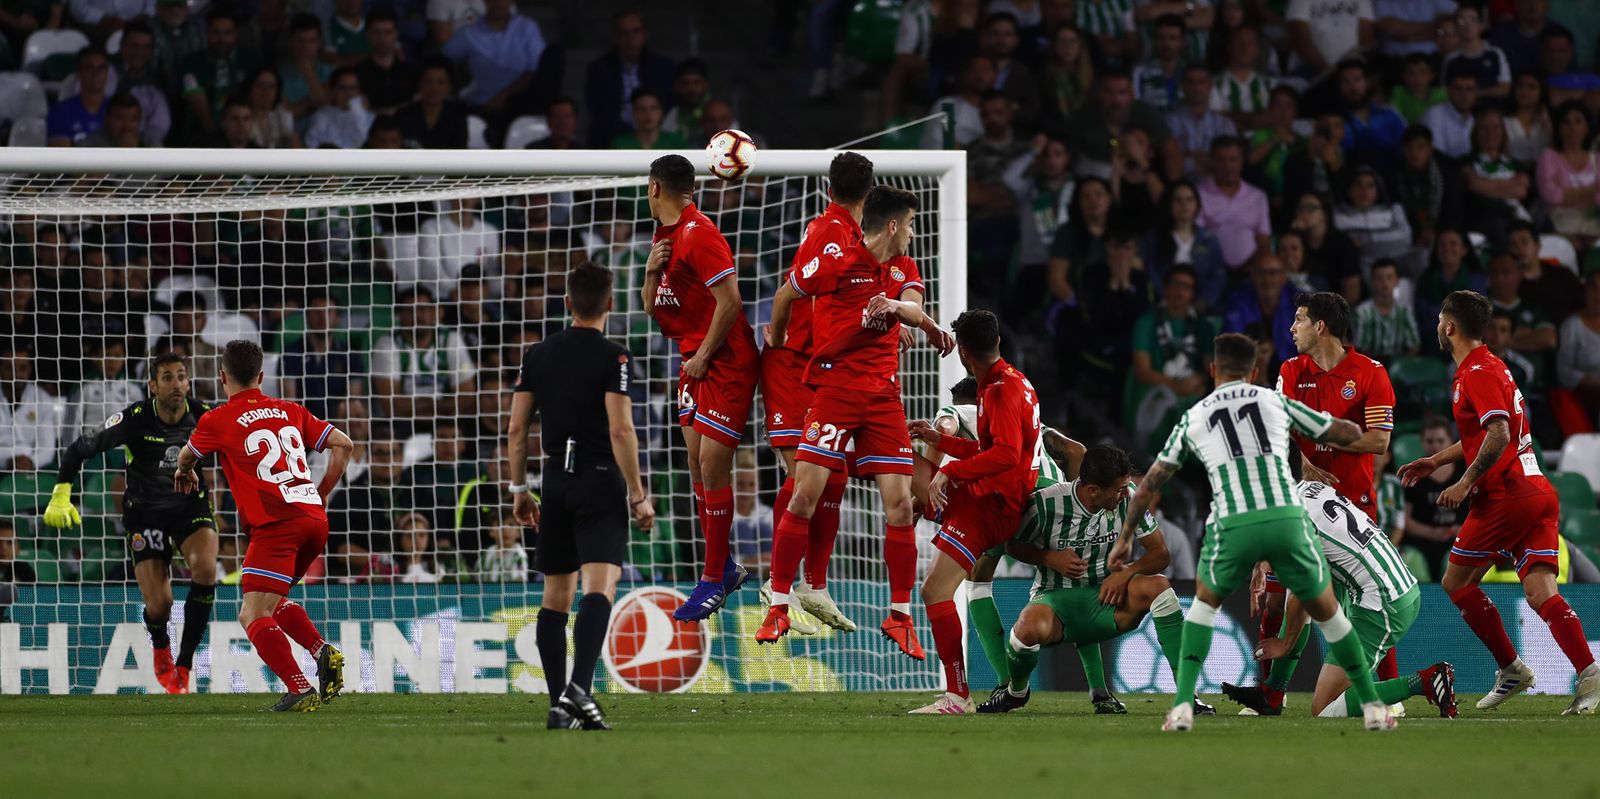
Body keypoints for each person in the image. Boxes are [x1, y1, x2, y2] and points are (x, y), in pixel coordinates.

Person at [1128, 332, 1391, 732]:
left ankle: (1182, 706)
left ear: (1213, 370)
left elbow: (1152, 482)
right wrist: (1358, 431)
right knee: (1329, 611)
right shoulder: (1274, 401)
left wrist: (1124, 535)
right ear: (1254, 371)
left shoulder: (1195, 415)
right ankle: (1373, 706)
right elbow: (1339, 432)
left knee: (1202, 608)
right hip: (1286, 517)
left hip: (1232, 521)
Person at [757, 186, 951, 656]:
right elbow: (786, 292)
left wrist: (916, 321)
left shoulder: (904, 267)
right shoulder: (836, 262)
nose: (912, 233)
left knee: (902, 506)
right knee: (806, 493)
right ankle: (779, 603)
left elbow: (911, 304)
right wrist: (780, 338)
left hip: (883, 399)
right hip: (835, 392)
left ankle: (900, 617)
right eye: (908, 224)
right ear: (890, 226)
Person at [1398, 290, 1600, 715]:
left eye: (1439, 320)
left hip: (1506, 494)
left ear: (1450, 327)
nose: (1436, 326)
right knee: (1541, 591)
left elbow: (1499, 435)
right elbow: (1482, 433)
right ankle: (1590, 674)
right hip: (1536, 491)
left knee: (1456, 583)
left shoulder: (1476, 373)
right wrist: (1437, 459)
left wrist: (1465, 481)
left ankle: (1511, 668)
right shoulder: (1490, 367)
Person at [509, 261, 654, 730]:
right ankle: (579, 690)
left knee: (555, 597)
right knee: (600, 588)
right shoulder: (616, 358)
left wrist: (518, 489)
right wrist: (637, 493)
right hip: (598, 480)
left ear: (567, 302)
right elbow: (620, 428)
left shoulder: (537, 355)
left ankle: (560, 705)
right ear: (611, 304)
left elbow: (515, 429)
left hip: (554, 483)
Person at [175, 340, 356, 712]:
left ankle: (299, 687)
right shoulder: (291, 410)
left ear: (222, 377)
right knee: (272, 603)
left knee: (252, 613)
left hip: (277, 526)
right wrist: (321, 493)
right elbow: (345, 445)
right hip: (313, 521)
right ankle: (323, 652)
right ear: (261, 376)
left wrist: (184, 471)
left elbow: (186, 456)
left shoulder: (216, 419)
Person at [43, 353, 217, 694]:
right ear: (152, 386)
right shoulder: (135, 418)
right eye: (167, 378)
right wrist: (62, 493)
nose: (177, 384)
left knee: (206, 570)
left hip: (188, 508)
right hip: (145, 512)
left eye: (181, 377)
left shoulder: (204, 416)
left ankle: (183, 664)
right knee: (160, 605)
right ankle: (160, 644)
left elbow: (236, 451)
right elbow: (79, 449)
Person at [978, 445, 1196, 715]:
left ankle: (1187, 695)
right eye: (1117, 489)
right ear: (1093, 490)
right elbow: (1013, 546)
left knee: (1159, 586)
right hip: (1056, 602)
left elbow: (1161, 553)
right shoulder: (1046, 503)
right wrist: (1049, 558)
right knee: (1025, 630)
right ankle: (1016, 692)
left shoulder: (1129, 500)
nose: (1122, 494)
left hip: (1106, 599)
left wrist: (1125, 573)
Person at [895, 310, 1037, 714]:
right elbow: (990, 450)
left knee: (935, 591)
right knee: (902, 460)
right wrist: (941, 441)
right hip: (990, 495)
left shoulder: (998, 392)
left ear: (963, 351)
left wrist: (950, 471)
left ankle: (957, 695)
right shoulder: (1008, 381)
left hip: (992, 505)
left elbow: (1006, 456)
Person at [1222, 473, 1456, 718]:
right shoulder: (1308, 489)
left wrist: (1285, 643)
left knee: (1324, 708)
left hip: (1382, 603)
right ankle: (1271, 694)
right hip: (1393, 584)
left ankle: (1426, 680)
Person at [756, 153, 876, 630]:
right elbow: (787, 292)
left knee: (835, 474)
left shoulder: (847, 233)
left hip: (819, 365)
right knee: (810, 476)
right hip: (792, 363)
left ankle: (816, 584)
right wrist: (781, 337)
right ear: (869, 191)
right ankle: (777, 585)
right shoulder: (830, 233)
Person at [641, 155, 761, 620]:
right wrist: (651, 272)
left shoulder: (699, 233)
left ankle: (713, 578)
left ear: (655, 188)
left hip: (723, 361)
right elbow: (652, 308)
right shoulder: (665, 235)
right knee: (695, 463)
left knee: (712, 466)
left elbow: (731, 300)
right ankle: (723, 566)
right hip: (689, 358)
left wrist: (706, 356)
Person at [584, 9, 675, 147]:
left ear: (644, 34)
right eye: (624, 33)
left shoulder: (662, 67)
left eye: (635, 31)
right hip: (611, 136)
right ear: (615, 37)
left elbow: (667, 105)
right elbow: (600, 112)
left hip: (655, 133)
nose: (630, 38)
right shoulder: (599, 69)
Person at [1399, 418, 1470, 579]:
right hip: (1421, 542)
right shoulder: (1412, 473)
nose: (1435, 446)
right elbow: (1406, 520)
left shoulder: (1466, 472)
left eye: (1440, 440)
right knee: (1413, 564)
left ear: (1451, 442)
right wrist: (1432, 533)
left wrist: (1463, 530)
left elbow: (1480, 509)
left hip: (1459, 539)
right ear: (1422, 442)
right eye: (1430, 441)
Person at [1197, 136, 1271, 270]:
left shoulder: (1258, 196)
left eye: (1233, 160)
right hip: (1211, 270)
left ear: (1242, 161)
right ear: (1212, 161)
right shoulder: (1199, 194)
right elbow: (1197, 238)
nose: (1228, 166)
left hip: (1250, 272)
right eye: (1221, 160)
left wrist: (1252, 264)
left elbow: (1263, 239)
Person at [1537, 101, 1600, 242]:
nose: (1573, 127)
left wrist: (1567, 195)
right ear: (1558, 127)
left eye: (1578, 121)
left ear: (1587, 127)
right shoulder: (1548, 157)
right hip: (1561, 225)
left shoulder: (1597, 159)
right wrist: (1589, 192)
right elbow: (1551, 196)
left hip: (1594, 224)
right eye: (1567, 122)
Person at [1169, 64, 1239, 177]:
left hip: (1216, 187)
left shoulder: (1225, 124)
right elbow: (1170, 160)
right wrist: (1208, 159)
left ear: (1210, 86)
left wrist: (1189, 155)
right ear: (1182, 85)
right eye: (1191, 82)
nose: (1196, 88)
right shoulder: (1170, 122)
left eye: (1202, 82)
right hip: (1181, 188)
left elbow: (1231, 162)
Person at [1553, 270, 1600, 435]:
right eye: (1594, 288)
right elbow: (1563, 372)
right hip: (1582, 396)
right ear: (1585, 291)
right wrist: (1593, 383)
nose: (1598, 294)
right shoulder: (1572, 326)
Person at [395, 58, 470, 150]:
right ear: (419, 84)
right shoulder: (403, 115)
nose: (434, 88)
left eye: (441, 82)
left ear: (449, 87)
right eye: (428, 82)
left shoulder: (457, 116)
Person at [1353, 259, 1421, 359]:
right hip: (1370, 366)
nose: (1385, 283)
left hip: (1398, 366)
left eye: (1389, 278)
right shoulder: (1362, 312)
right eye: (1379, 278)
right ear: (1372, 282)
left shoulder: (1405, 311)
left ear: (1397, 281)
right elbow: (1360, 348)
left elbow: (1414, 345)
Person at [1443, 2, 1511, 98]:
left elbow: (1505, 89)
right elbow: (1446, 92)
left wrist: (1472, 94)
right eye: (1462, 20)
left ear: (1481, 25)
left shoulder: (1495, 53)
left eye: (1472, 19)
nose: (1467, 25)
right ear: (1456, 26)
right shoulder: (1451, 59)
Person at [46, 46, 112, 145]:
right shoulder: (61, 111)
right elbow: (59, 156)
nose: (96, 73)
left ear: (107, 73)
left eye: (101, 68)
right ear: (79, 73)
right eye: (90, 68)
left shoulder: (116, 111)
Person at [303, 67, 374, 149]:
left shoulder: (369, 117)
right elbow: (312, 146)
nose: (349, 93)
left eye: (353, 88)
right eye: (343, 88)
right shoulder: (320, 117)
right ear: (332, 90)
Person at [1419, 64, 1478, 160]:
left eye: (1470, 89)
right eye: (1458, 89)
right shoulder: (1434, 115)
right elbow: (1438, 158)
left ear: (1476, 92)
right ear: (1448, 90)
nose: (1464, 95)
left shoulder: (1476, 119)